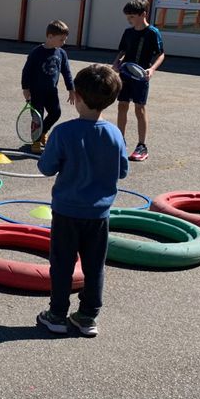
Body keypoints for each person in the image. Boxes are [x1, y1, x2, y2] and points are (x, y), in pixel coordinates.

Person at [36, 64, 128, 338]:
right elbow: (122, 171)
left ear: (75, 95)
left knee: (62, 264)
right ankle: (88, 316)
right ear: (110, 99)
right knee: (94, 265)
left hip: (67, 211)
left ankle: (57, 315)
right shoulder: (115, 134)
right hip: (99, 214)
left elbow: (46, 168)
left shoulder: (64, 132)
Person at [113, 0, 165, 162]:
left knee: (139, 109)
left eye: (132, 17)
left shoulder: (152, 33)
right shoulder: (128, 32)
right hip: (125, 73)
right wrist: (116, 63)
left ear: (143, 14)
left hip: (141, 76)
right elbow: (122, 51)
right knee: (122, 105)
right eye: (128, 17)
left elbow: (161, 54)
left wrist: (152, 69)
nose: (129, 20)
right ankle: (120, 141)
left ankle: (142, 145)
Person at [20, 20, 75, 154]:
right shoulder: (36, 53)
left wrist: (71, 88)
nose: (64, 43)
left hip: (52, 91)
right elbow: (26, 71)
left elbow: (66, 71)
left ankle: (43, 131)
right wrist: (25, 89)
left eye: (64, 39)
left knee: (56, 113)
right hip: (36, 92)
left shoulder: (61, 53)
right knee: (37, 117)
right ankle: (36, 141)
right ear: (50, 36)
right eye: (61, 39)